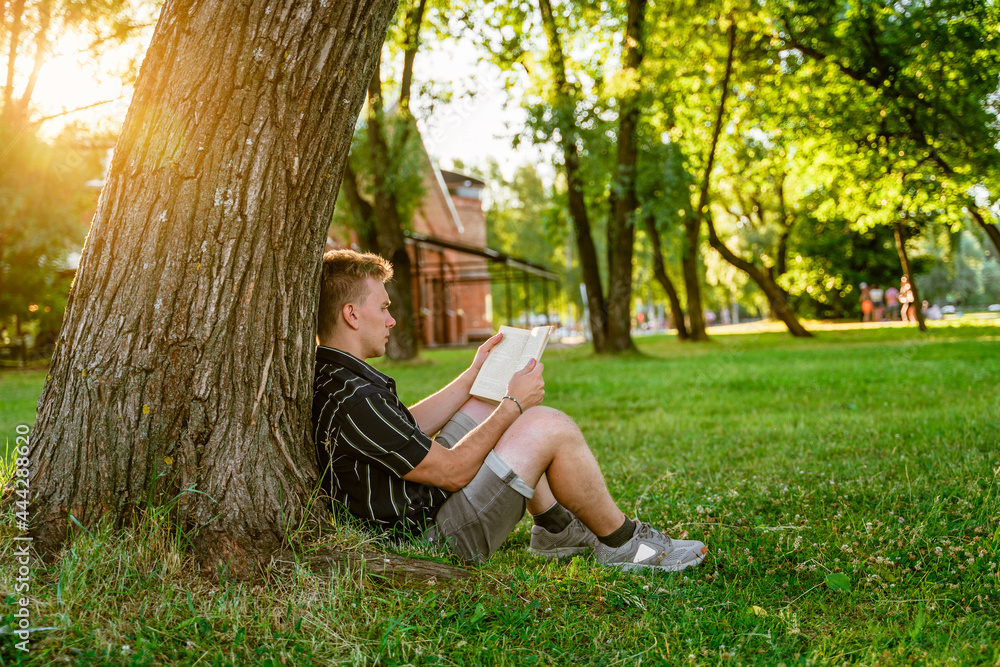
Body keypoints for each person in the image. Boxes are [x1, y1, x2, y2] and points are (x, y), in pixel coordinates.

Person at [312, 249, 708, 572]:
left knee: (484, 397)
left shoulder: (337, 376)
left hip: (420, 503)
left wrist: (473, 376)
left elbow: (400, 430)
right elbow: (451, 473)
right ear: (351, 314)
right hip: (429, 540)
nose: (391, 319)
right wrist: (514, 405)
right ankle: (623, 544)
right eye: (383, 307)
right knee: (546, 424)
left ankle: (555, 529)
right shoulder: (354, 398)